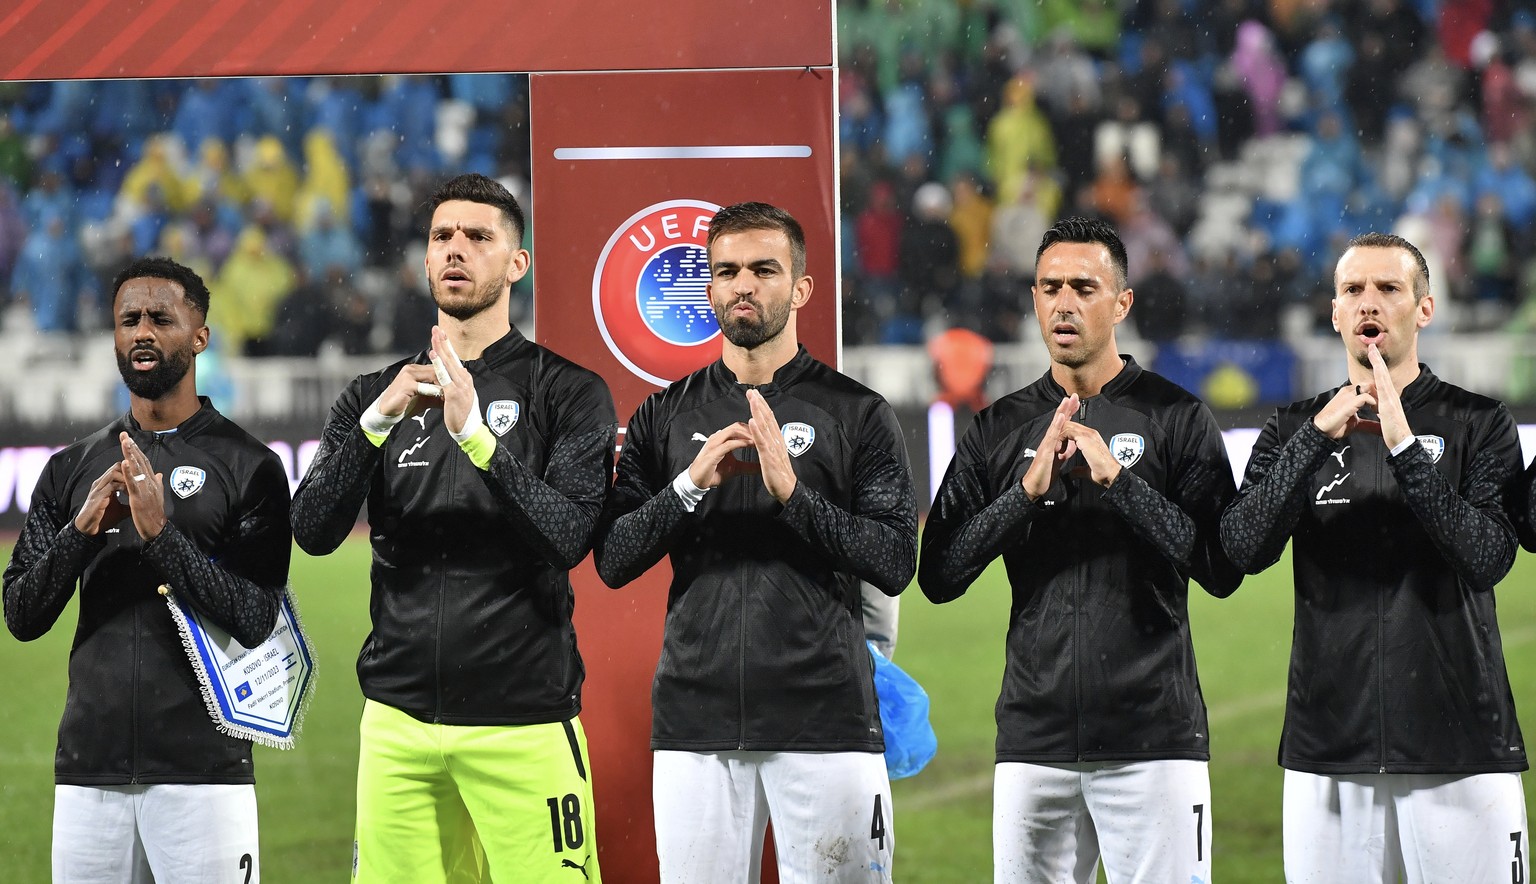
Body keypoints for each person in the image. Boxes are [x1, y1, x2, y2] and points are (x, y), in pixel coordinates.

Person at [290, 173, 616, 883]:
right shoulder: (372, 394)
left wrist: (477, 438)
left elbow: (569, 538)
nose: (456, 250)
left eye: (478, 236)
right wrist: (378, 420)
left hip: (523, 722)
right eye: (442, 237)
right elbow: (312, 530)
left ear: (516, 263)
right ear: (425, 259)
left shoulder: (567, 391)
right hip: (398, 724)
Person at [594, 201, 917, 883]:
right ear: (709, 289)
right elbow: (614, 560)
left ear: (799, 288)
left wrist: (793, 497)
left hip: (826, 718)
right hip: (696, 722)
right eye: (728, 271)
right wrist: (687, 488)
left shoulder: (857, 413)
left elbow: (894, 562)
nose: (744, 284)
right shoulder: (663, 414)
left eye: (764, 269)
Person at [918, 217, 1241, 884]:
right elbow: (940, 575)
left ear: (1121, 302)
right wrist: (1023, 496)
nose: (1064, 303)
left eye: (1084, 288)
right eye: (1050, 287)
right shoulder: (997, 429)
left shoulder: (1177, 418)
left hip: (1154, 741)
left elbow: (1220, 566)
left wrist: (1121, 485)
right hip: (1035, 742)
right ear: (1033, 299)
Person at [1220, 231, 1530, 882]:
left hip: (1462, 750)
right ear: (1334, 313)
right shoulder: (1292, 427)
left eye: (1389, 288)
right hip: (1328, 754)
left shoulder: (1478, 421)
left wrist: (1404, 450)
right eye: (1353, 290)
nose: (1370, 302)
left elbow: (1489, 557)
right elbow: (1243, 547)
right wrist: (1314, 437)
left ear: (1423, 309)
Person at [3, 256, 291, 883]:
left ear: (199, 336)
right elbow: (22, 614)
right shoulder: (70, 468)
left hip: (205, 774)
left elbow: (256, 618)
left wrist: (162, 537)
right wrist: (80, 532)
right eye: (128, 319)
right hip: (89, 772)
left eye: (161, 318)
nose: (142, 331)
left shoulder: (251, 467)